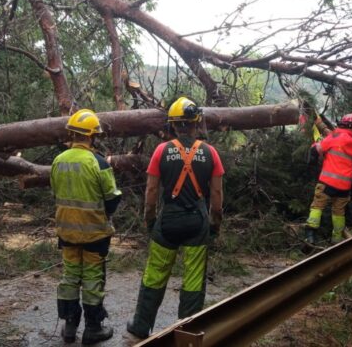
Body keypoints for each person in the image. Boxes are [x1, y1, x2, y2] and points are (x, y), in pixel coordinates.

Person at [126, 97, 224, 339]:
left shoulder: (161, 150)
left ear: (172, 125)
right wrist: (214, 225)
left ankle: (141, 326)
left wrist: (150, 221)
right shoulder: (211, 153)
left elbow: (150, 192)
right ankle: (187, 331)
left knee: (155, 274)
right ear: (196, 122)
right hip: (197, 223)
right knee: (193, 278)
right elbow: (217, 196)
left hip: (168, 221)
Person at [50, 108, 122, 344]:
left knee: (70, 276)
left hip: (67, 232)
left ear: (72, 134)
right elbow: (112, 198)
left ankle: (70, 328)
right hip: (94, 235)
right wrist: (104, 216)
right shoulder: (98, 163)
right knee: (92, 278)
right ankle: (93, 329)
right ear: (92, 136)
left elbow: (56, 193)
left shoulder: (58, 161)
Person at [305, 113, 352, 245]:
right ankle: (336, 241)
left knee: (317, 207)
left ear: (342, 123)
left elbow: (318, 150)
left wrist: (315, 146)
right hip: (344, 186)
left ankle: (310, 236)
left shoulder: (335, 136)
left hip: (327, 182)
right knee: (338, 213)